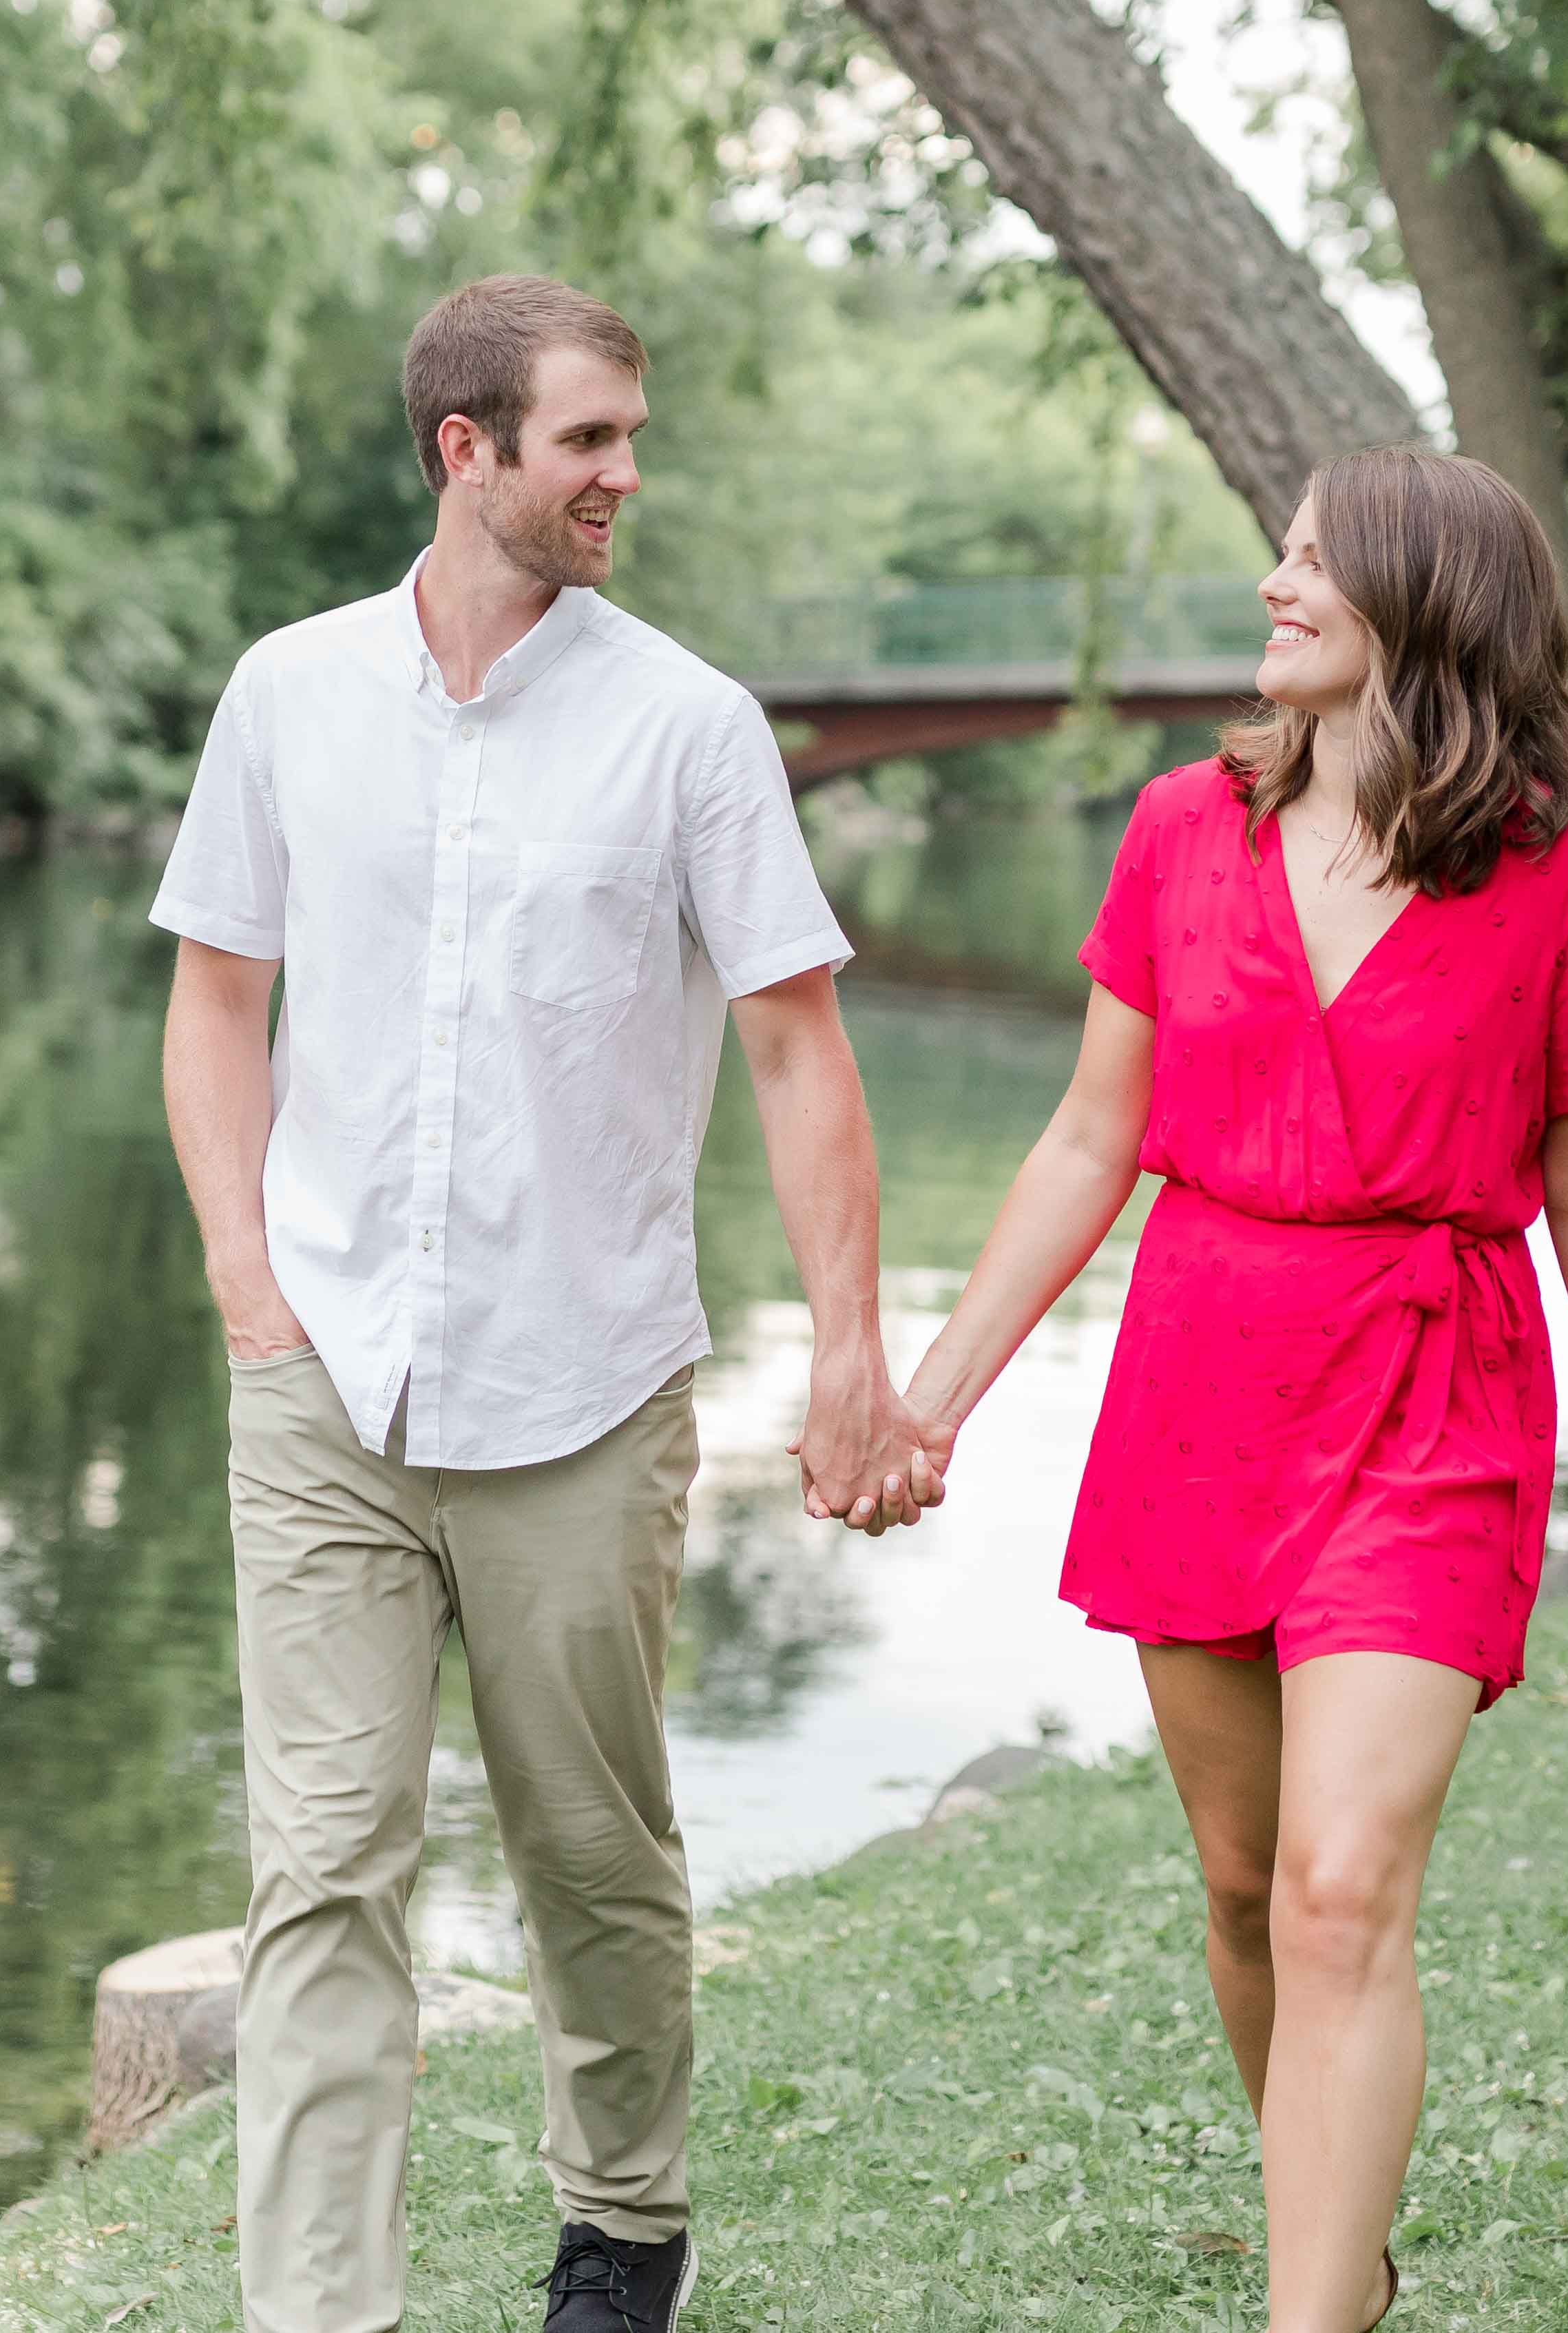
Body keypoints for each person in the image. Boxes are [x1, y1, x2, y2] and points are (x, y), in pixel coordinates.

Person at [154, 274, 939, 2333]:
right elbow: (216, 1003)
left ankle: (621, 2226)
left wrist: (850, 1360)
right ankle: (316, 2313)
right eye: (588, 440)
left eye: (629, 438)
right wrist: (247, 1284)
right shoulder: (289, 694)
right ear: (466, 451)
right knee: (324, 1867)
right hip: (322, 1378)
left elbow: (796, 1052)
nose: (623, 477)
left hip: (582, 1385)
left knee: (589, 1856)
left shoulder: (689, 727)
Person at [896, 447, 1568, 2333]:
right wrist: (934, 1397)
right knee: (1247, 1886)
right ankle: (1347, 2256)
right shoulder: (1184, 828)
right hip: (1204, 1382)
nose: (1274, 582)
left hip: (1434, 1393)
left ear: (1421, 604)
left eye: (1315, 560)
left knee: (1340, 1892)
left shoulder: (1566, 871)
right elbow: (1089, 1140)